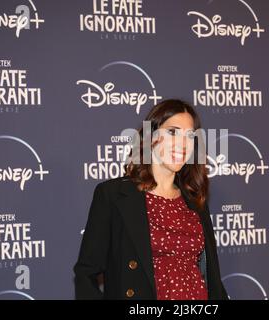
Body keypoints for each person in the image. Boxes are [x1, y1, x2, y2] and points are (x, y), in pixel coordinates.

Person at [73, 99, 228, 300]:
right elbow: (86, 273)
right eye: (173, 132)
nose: (183, 144)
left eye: (190, 136)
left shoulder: (194, 199)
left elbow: (213, 279)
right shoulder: (113, 195)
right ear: (151, 136)